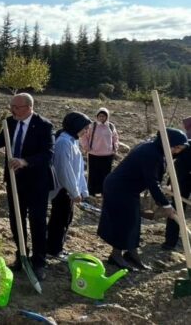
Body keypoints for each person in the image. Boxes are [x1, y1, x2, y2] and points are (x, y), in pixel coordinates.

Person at [0, 93, 54, 281]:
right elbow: (0, 141)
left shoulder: (44, 125)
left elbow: (48, 154)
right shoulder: (10, 122)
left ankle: (39, 261)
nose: (12, 110)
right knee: (17, 219)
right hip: (15, 181)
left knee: (37, 221)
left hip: (37, 182)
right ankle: (21, 254)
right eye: (11, 106)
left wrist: (25, 161)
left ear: (28, 107)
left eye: (16, 107)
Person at [98, 129, 186, 270]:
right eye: (176, 147)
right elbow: (152, 182)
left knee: (134, 221)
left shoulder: (158, 150)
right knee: (123, 221)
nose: (176, 151)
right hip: (119, 188)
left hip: (130, 189)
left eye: (179, 149)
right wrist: (166, 205)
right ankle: (116, 255)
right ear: (166, 142)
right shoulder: (150, 153)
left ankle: (131, 253)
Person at [46, 112, 91, 261]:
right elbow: (64, 170)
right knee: (59, 219)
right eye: (85, 128)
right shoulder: (63, 142)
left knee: (66, 218)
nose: (86, 131)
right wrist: (74, 191)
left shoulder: (72, 141)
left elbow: (78, 169)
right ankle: (53, 249)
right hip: (62, 189)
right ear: (76, 126)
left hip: (69, 190)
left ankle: (57, 247)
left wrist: (82, 190)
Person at [79, 108, 119, 196]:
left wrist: (115, 147)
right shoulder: (92, 126)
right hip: (94, 154)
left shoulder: (111, 126)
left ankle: (104, 192)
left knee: (106, 174)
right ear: (97, 116)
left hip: (108, 154)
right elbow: (84, 136)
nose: (102, 118)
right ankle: (92, 192)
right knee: (93, 174)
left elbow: (115, 137)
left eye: (104, 116)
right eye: (100, 116)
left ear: (107, 117)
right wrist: (86, 147)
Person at [163, 130, 191, 251]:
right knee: (177, 208)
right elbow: (168, 156)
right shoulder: (186, 145)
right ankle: (170, 242)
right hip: (181, 180)